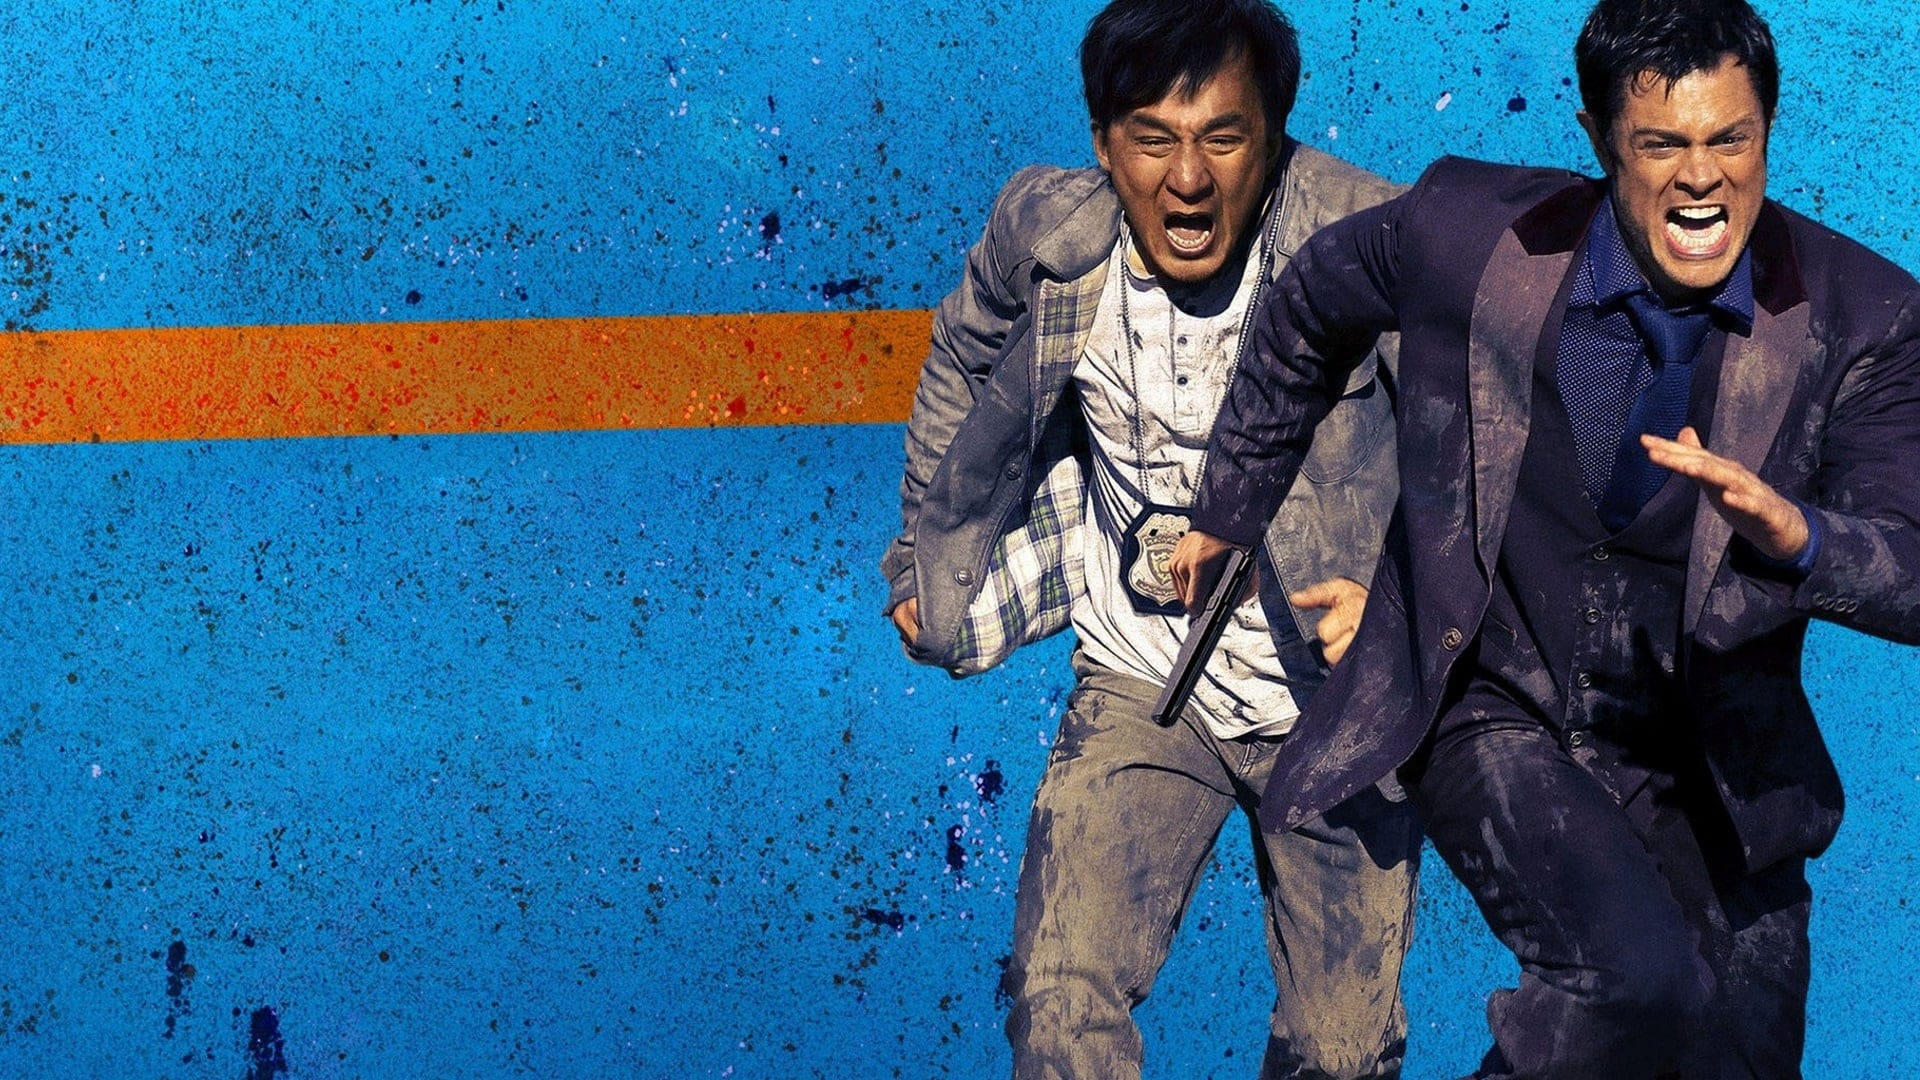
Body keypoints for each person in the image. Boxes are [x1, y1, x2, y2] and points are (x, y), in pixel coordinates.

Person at [1171, 0, 1920, 1075]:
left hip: (1707, 766)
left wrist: (1804, 536)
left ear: (1768, 129)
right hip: (1490, 699)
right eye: (1661, 145)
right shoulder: (1469, 232)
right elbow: (1310, 306)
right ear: (1599, 137)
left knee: (1734, 1052)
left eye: (1731, 139)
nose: (1701, 179)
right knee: (1633, 981)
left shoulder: (1865, 317)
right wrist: (1231, 503)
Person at [879, 0, 1422, 1074]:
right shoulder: (1047, 235)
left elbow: (1481, 438)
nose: (1188, 178)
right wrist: (919, 557)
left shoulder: (1366, 239)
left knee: (1342, 1054)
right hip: (1142, 673)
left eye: (1223, 137)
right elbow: (962, 355)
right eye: (1151, 138)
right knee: (1058, 999)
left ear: (1272, 137)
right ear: (1102, 142)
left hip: (1338, 704)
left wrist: (1409, 609)